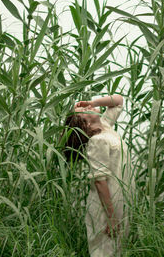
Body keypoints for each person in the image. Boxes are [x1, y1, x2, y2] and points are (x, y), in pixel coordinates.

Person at [63, 94, 134, 257]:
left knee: (117, 251)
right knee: (104, 252)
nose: (87, 107)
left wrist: (93, 102)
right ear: (85, 124)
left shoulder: (105, 126)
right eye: (82, 110)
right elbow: (99, 181)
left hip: (119, 200)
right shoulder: (96, 141)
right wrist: (110, 217)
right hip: (106, 208)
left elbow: (118, 101)